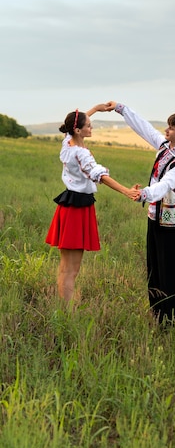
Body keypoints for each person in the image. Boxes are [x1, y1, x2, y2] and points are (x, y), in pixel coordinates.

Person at [103, 101, 175, 325]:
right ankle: (157, 314)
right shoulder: (165, 146)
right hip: (155, 218)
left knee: (171, 273)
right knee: (154, 269)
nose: (167, 130)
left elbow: (164, 186)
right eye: (168, 126)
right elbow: (144, 128)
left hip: (172, 226)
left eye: (172, 127)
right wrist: (121, 108)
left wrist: (143, 194)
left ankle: (173, 321)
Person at [45, 105, 140, 303]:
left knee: (66, 266)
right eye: (88, 125)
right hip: (78, 209)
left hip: (69, 204)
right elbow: (101, 177)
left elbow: (75, 122)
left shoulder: (67, 143)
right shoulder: (81, 154)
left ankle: (63, 307)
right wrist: (127, 192)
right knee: (72, 269)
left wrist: (96, 108)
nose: (92, 128)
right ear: (78, 130)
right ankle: (66, 312)